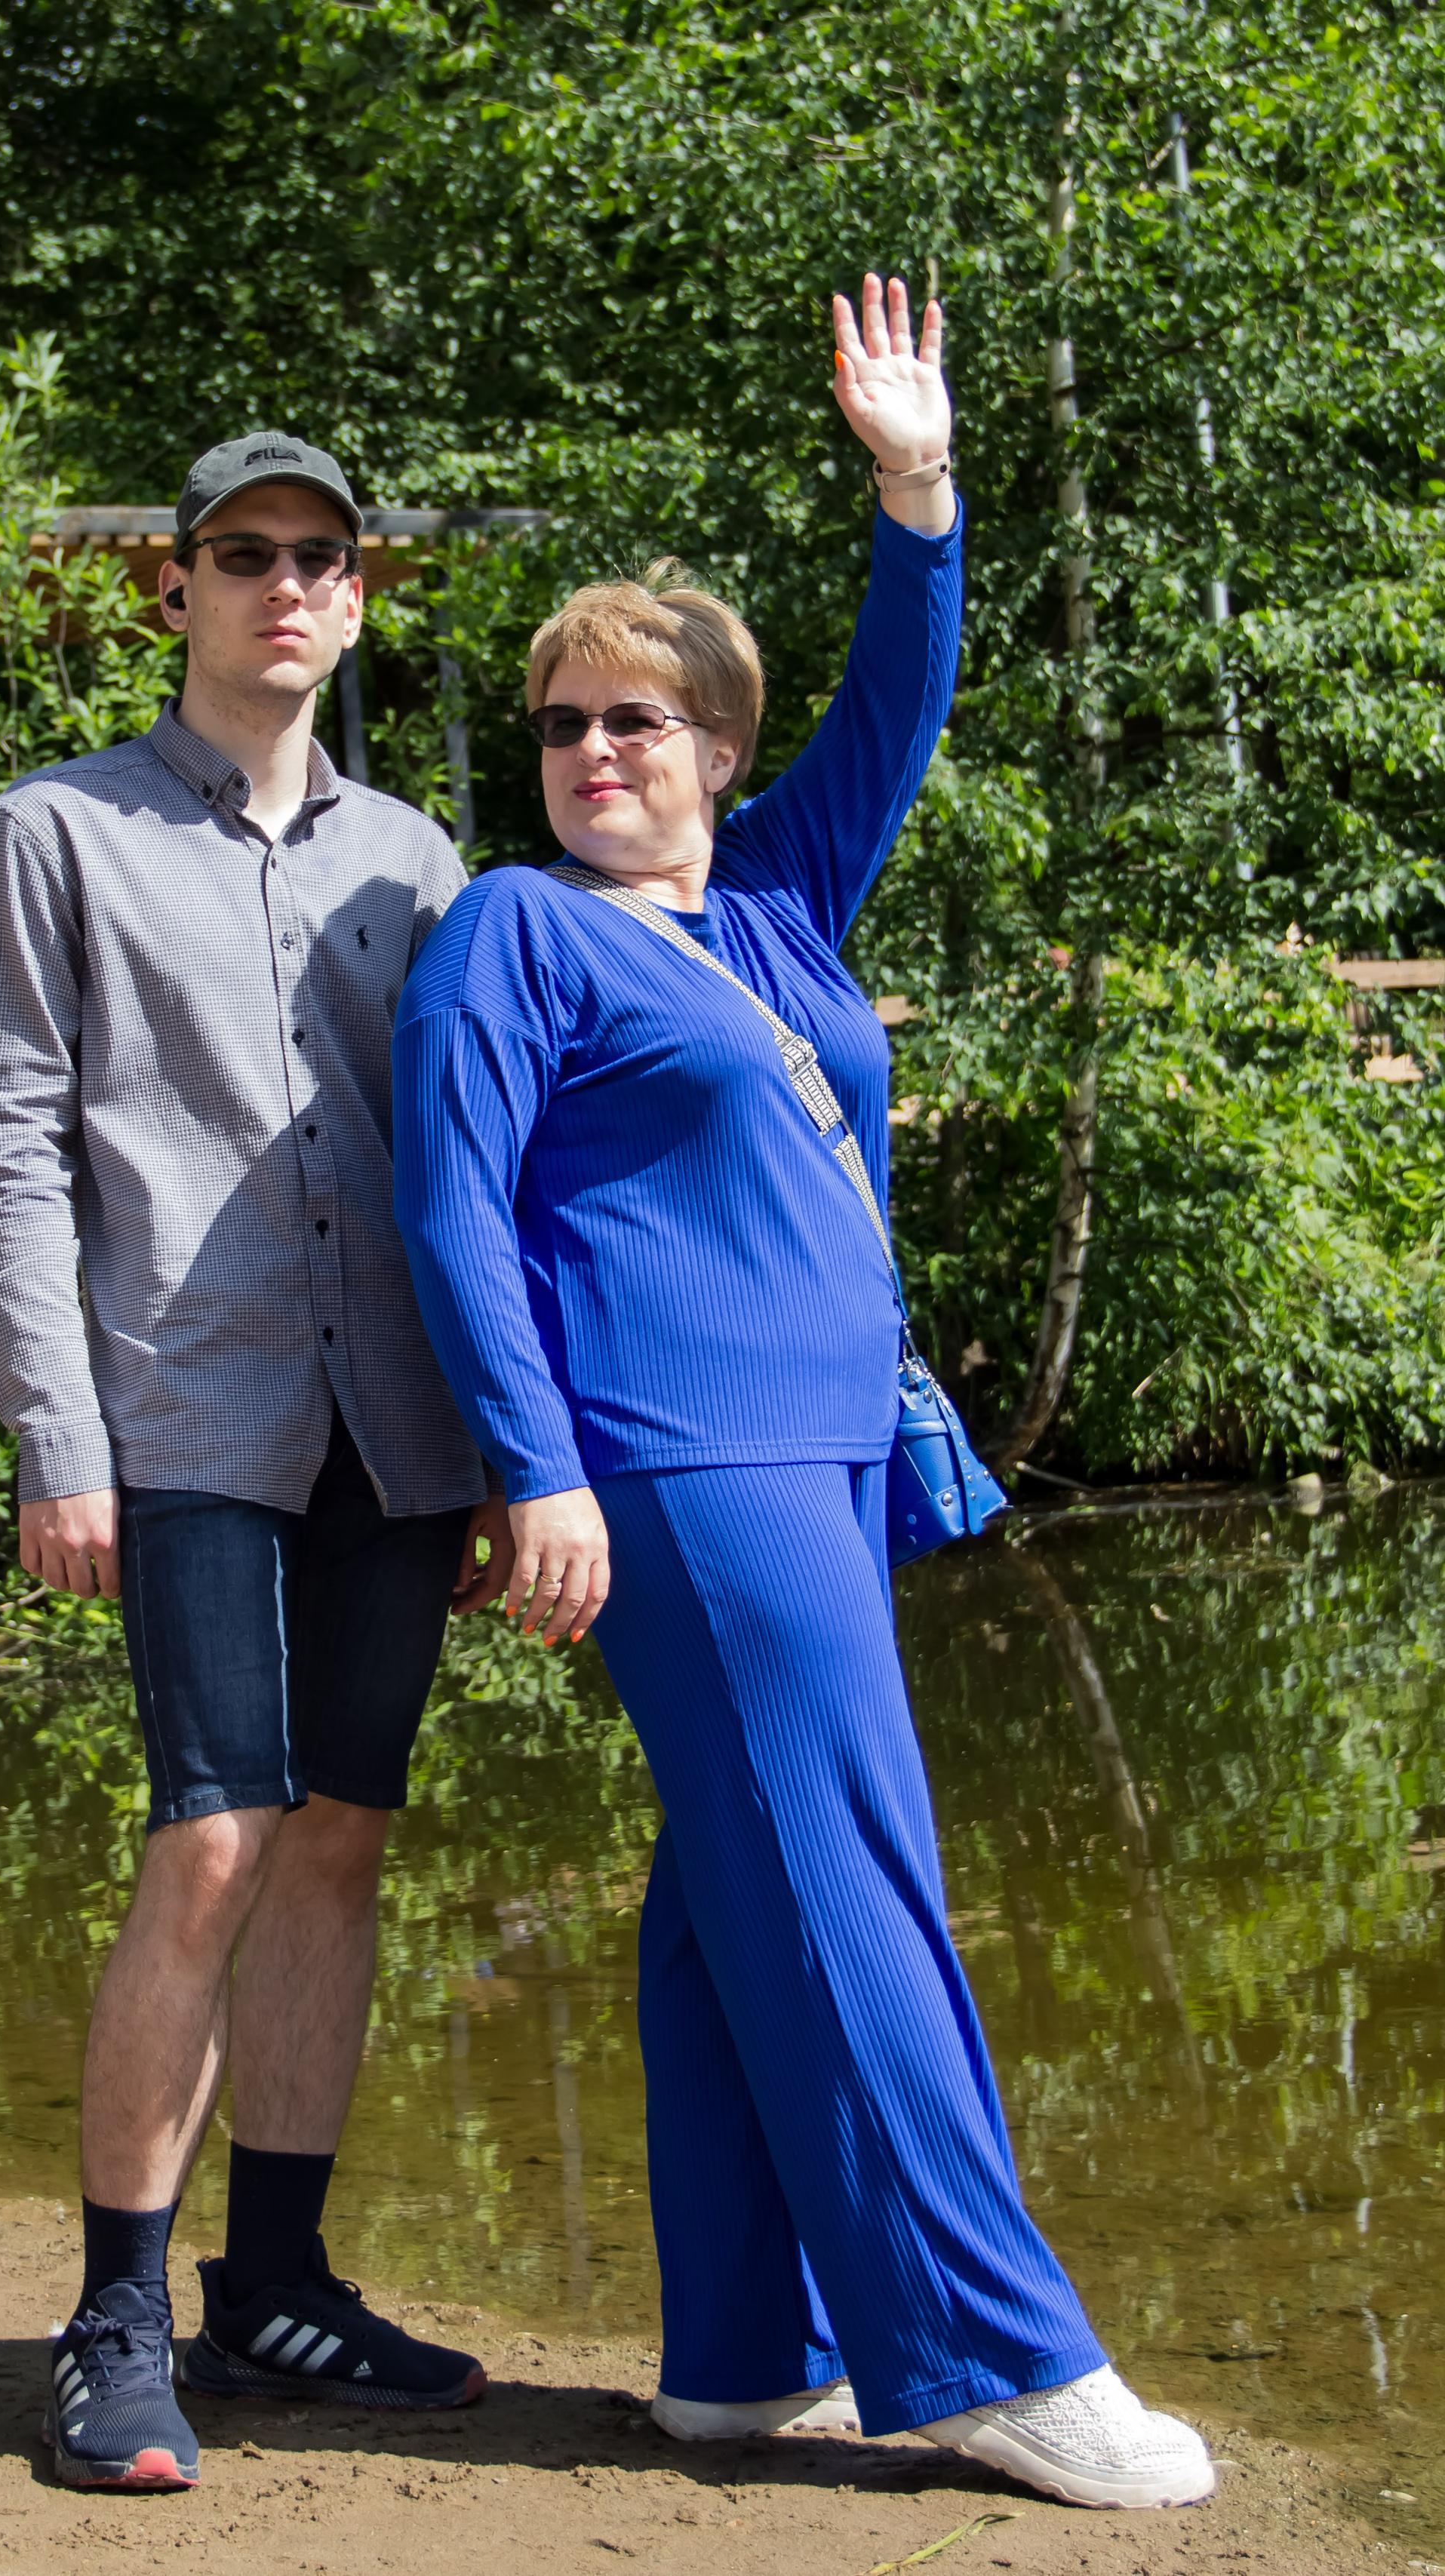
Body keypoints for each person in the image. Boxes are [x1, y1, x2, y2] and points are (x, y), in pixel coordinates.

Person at [390, 278, 1216, 2512]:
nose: (595, 754)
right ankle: (997, 2352)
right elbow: (457, 1217)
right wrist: (536, 1472)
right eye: (565, 725)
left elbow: (899, 714)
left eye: (639, 721)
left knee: (727, 1888)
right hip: (677, 1462)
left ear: (719, 748)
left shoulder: (767, 910)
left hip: (833, 1451)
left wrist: (916, 487)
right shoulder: (514, 933)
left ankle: (745, 2356)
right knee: (853, 1871)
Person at [0, 430, 510, 2494]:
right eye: (246, 552)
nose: (286, 584)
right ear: (175, 588)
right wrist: (55, 1433)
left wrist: (512, 1439)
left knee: (341, 1839)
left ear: (356, 602)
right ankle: (112, 2320)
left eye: (321, 557)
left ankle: (273, 2284)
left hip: (402, 1422)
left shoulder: (421, 863)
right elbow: (8, 1139)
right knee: (213, 1837)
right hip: (186, 1406)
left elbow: (475, 1160)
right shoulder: (56, 832)